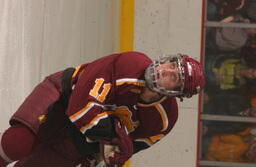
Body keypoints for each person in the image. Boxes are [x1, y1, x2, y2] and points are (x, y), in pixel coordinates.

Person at [0, 51, 205, 167]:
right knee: (17, 143)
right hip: (63, 98)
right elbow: (79, 107)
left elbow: (126, 148)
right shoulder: (131, 64)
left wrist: (116, 153)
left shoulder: (164, 120)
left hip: (80, 142)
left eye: (174, 76)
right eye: (171, 64)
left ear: (177, 93)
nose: (164, 70)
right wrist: (111, 136)